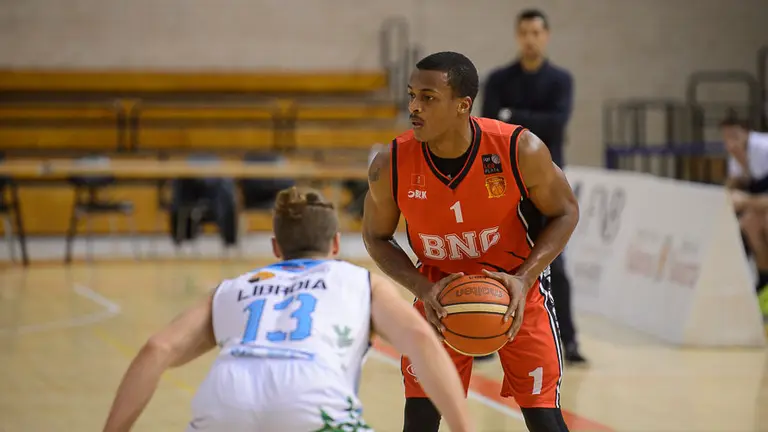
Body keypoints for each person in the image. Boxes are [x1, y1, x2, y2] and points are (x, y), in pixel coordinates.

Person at [102, 187, 475, 432]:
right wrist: (463, 427)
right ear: (334, 244)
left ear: (276, 246)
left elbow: (157, 349)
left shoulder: (233, 288)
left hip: (224, 403)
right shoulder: (360, 282)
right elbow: (423, 344)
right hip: (313, 402)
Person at [363, 51, 579, 432]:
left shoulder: (518, 149)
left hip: (516, 290)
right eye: (412, 95)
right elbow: (375, 237)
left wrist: (525, 278)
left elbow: (566, 211)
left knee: (545, 420)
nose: (414, 107)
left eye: (428, 98)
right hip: (437, 297)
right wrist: (421, 287)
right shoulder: (390, 164)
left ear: (463, 105)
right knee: (419, 421)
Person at [480, 9, 586, 365]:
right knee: (495, 259)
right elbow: (489, 124)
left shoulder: (560, 80)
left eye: (536, 32)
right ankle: (488, 334)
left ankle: (568, 340)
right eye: (524, 31)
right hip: (503, 183)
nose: (530, 38)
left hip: (547, 184)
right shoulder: (498, 79)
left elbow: (556, 125)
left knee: (555, 261)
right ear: (517, 36)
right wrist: (514, 119)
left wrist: (513, 116)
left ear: (547, 36)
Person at [721, 114, 768, 317]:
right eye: (726, 138)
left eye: (734, 136)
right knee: (748, 224)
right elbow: (734, 186)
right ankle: (764, 283)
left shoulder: (764, 149)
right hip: (759, 204)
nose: (730, 143)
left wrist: (745, 200)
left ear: (747, 133)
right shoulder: (738, 154)